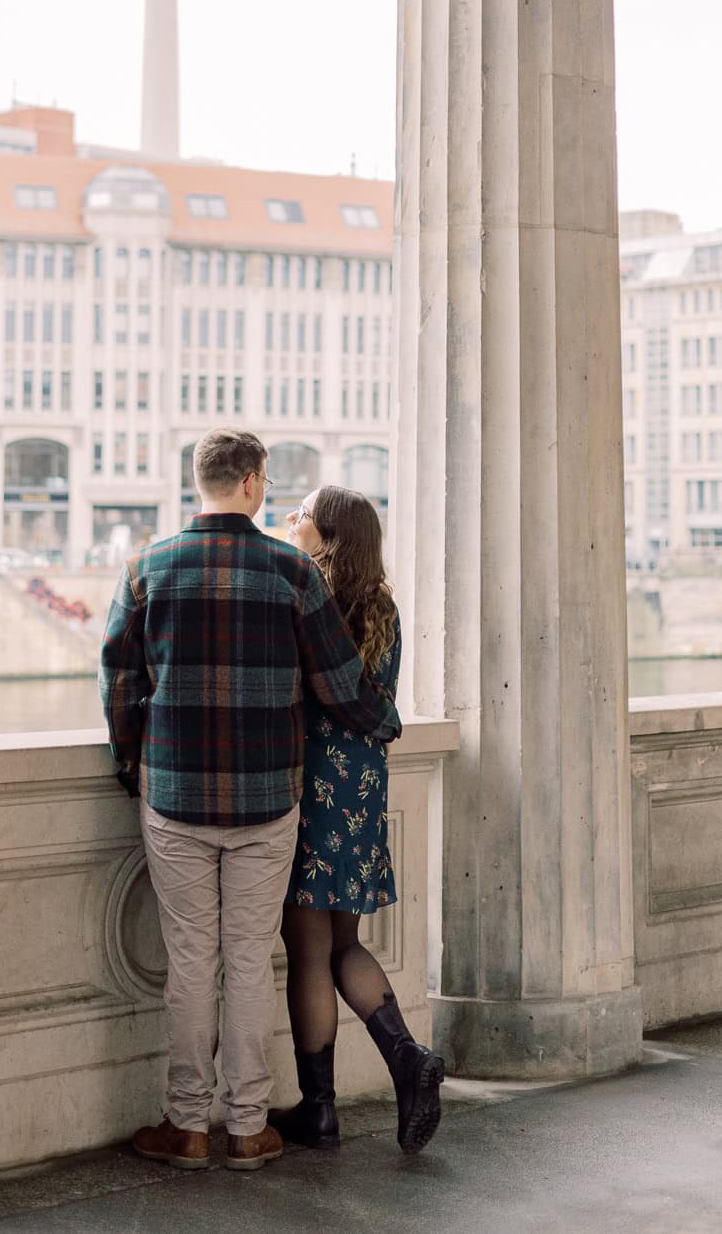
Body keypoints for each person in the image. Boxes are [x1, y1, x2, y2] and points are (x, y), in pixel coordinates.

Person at [100, 430, 401, 1173]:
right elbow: (339, 682)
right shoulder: (293, 572)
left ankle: (188, 1126)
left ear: (199, 480)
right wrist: (383, 720)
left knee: (191, 961)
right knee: (246, 961)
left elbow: (119, 678)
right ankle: (246, 1126)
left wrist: (130, 759)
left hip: (175, 796)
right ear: (256, 483)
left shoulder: (145, 567)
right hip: (269, 800)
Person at [269, 485, 443, 1155]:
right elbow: (377, 701)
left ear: (332, 533)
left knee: (309, 950)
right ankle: (405, 1057)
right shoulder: (382, 605)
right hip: (363, 788)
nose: (293, 520)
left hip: (313, 786)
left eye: (303, 514)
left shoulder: (307, 596)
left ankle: (319, 1110)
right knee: (344, 941)